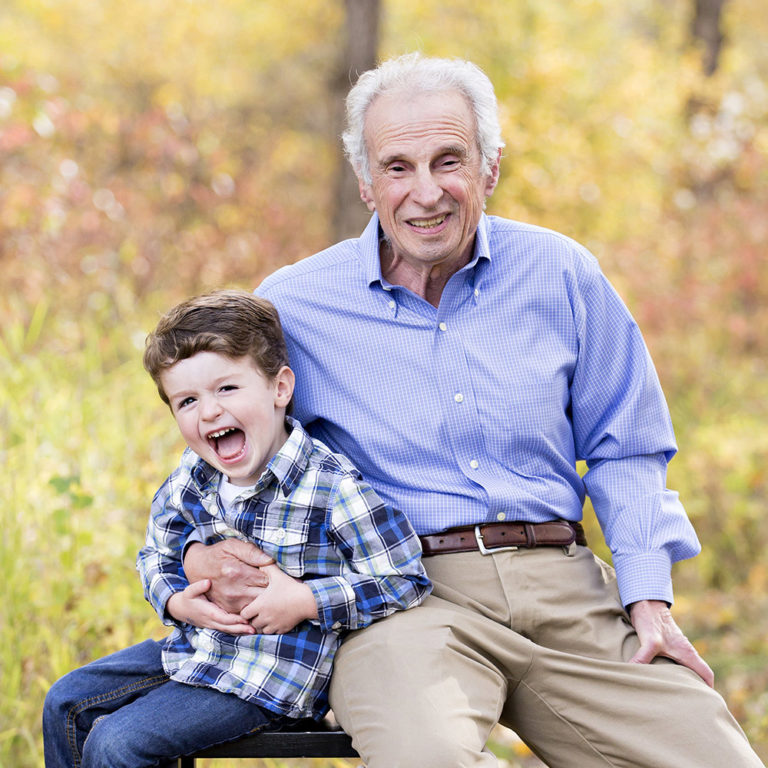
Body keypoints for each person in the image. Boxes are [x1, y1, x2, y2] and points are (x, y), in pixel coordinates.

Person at [183, 55, 765, 767]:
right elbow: (224, 437)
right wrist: (200, 547)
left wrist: (648, 596)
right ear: (366, 183)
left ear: (489, 168)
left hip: (564, 584)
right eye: (397, 167)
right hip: (405, 599)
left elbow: (627, 444)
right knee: (425, 758)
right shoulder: (296, 304)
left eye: (448, 160)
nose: (425, 192)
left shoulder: (561, 272)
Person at [42, 290, 430, 768]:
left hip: (271, 676)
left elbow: (405, 577)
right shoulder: (194, 473)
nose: (208, 412)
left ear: (279, 388)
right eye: (187, 401)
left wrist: (306, 601)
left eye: (226, 389)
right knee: (64, 702)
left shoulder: (329, 486)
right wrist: (173, 599)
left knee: (119, 743)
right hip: (196, 650)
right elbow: (155, 553)